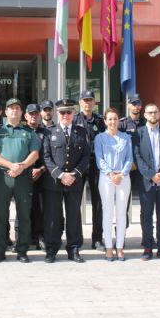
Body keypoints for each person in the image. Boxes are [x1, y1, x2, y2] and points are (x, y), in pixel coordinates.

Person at [0, 98, 40, 263]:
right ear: (6, 112)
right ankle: (0, 250)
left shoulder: (29, 132)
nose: (14, 111)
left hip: (23, 178)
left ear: (22, 113)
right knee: (1, 214)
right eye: (11, 108)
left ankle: (22, 250)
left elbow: (35, 154)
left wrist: (22, 166)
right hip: (3, 177)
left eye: (17, 108)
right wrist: (11, 165)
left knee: (24, 214)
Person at [42, 99, 90, 263]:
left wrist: (74, 174)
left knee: (74, 217)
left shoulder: (81, 132)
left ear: (74, 114)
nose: (65, 115)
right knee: (53, 217)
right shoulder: (49, 132)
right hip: (54, 182)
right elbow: (46, 157)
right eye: (62, 112)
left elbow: (86, 156)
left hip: (74, 182)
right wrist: (61, 175)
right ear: (57, 113)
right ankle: (52, 249)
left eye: (69, 112)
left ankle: (74, 249)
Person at [133, 103, 160, 261]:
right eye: (150, 113)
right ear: (145, 115)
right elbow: (137, 157)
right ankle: (147, 247)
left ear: (159, 114)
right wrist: (151, 174)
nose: (153, 115)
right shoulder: (138, 134)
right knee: (146, 215)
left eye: (155, 112)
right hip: (147, 182)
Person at [94, 108, 133, 261]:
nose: (112, 122)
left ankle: (120, 247)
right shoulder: (100, 138)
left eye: (115, 119)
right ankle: (109, 247)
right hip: (106, 178)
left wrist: (121, 174)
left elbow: (129, 159)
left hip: (123, 177)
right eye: (109, 119)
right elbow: (99, 159)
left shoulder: (126, 138)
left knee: (122, 213)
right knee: (107, 212)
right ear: (105, 121)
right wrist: (111, 174)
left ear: (119, 121)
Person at [74, 89, 106, 251]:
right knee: (75, 202)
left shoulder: (101, 122)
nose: (87, 103)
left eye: (90, 100)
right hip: (78, 165)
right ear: (80, 102)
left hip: (96, 165)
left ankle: (97, 238)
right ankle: (77, 238)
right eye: (84, 100)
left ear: (94, 103)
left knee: (98, 203)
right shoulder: (74, 120)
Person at [118, 93, 146, 229]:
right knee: (123, 202)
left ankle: (147, 236)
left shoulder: (146, 123)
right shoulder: (122, 124)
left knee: (146, 202)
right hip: (127, 169)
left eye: (138, 104)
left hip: (143, 169)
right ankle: (121, 234)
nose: (136, 106)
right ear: (128, 105)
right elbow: (118, 146)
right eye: (133, 104)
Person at [24, 103, 49, 250]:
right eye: (30, 114)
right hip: (24, 175)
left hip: (42, 175)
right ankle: (24, 237)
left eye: (35, 114)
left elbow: (50, 156)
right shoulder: (21, 131)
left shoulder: (46, 133)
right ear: (26, 116)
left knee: (40, 208)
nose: (33, 116)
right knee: (24, 207)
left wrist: (40, 169)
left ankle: (40, 236)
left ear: (39, 115)